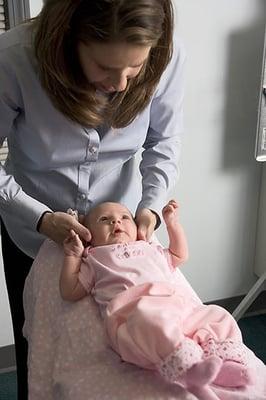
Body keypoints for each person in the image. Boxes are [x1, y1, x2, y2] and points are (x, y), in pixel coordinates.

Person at [0, 0, 185, 398]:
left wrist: (150, 208)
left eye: (134, 68)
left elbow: (164, 142)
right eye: (105, 67)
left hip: (124, 241)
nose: (121, 84)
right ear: (68, 40)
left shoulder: (166, 57)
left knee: (131, 362)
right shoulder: (13, 60)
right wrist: (40, 218)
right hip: (34, 236)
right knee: (42, 352)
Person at [60, 200, 255, 397]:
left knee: (217, 314)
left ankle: (226, 364)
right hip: (133, 315)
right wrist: (72, 256)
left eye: (124, 218)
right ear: (89, 236)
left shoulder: (149, 247)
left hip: (177, 307)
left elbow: (179, 255)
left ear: (137, 227)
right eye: (105, 219)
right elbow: (70, 291)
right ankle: (188, 368)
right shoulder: (94, 258)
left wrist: (172, 225)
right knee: (152, 323)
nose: (115, 222)